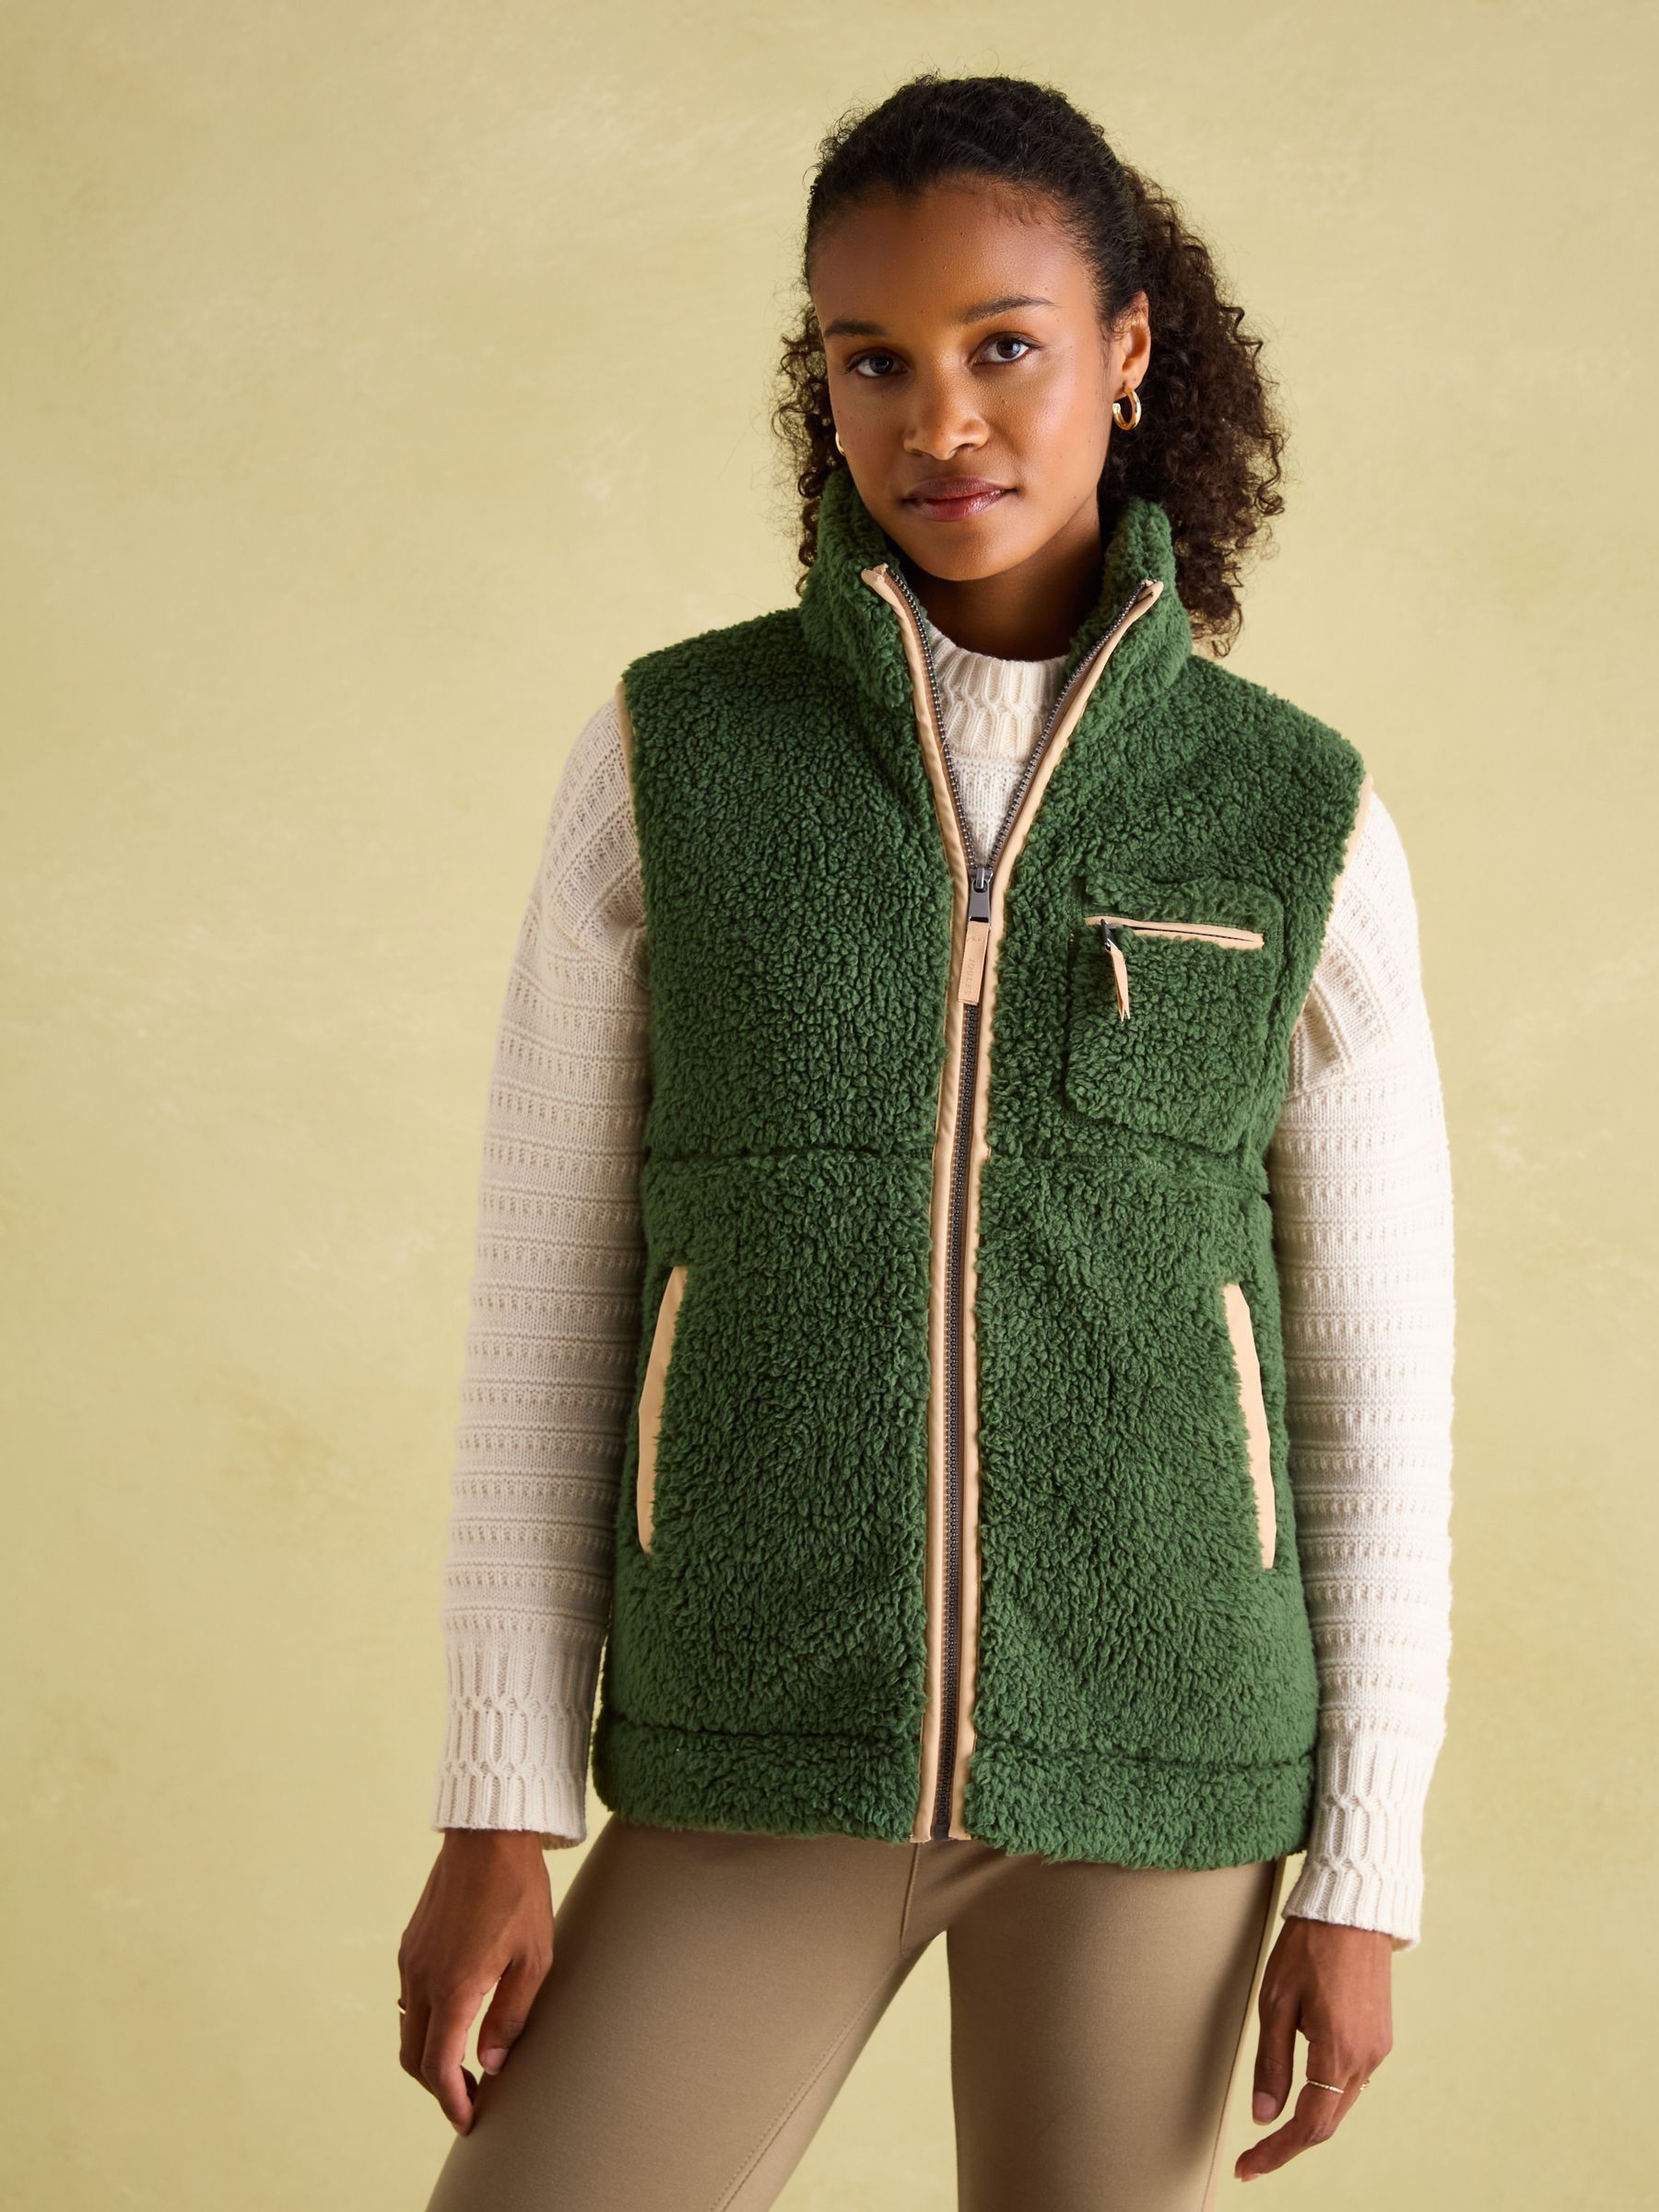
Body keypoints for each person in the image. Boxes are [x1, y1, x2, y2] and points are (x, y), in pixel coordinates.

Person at [400, 71, 1454, 2211]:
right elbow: (547, 1302)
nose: (939, 419)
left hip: (1164, 1762)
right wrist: (496, 1795)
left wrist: (1367, 1869)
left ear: (1128, 353)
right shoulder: (675, 755)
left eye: (1005, 345)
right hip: (754, 1725)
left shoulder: (1296, 817)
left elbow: (1374, 1382)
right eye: (871, 358)